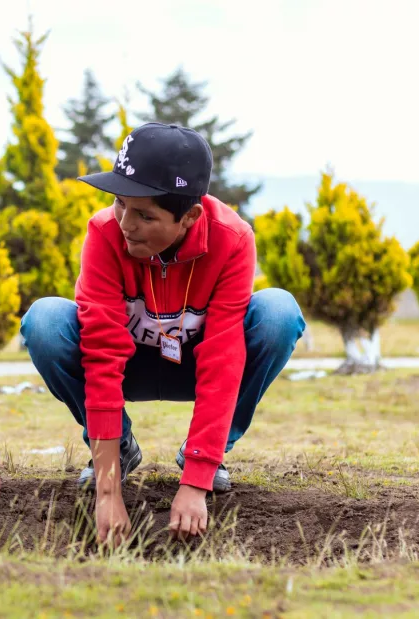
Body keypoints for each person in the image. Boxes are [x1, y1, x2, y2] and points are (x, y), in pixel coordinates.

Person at [20, 122, 305, 545]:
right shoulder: (104, 232)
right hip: (128, 367)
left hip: (193, 367)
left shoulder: (232, 239)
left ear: (190, 216)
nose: (125, 223)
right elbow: (101, 352)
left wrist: (196, 481)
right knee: (45, 320)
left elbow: (224, 359)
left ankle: (205, 454)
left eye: (145, 215)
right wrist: (108, 490)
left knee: (278, 312)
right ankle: (121, 447)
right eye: (119, 203)